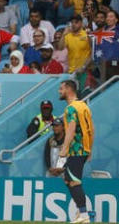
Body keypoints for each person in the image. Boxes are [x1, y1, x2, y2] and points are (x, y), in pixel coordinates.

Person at [57, 79, 94, 224]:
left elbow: (71, 129)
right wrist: (89, 148)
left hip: (75, 150)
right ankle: (81, 212)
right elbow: (92, 128)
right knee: (68, 179)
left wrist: (64, 148)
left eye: (61, 89)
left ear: (68, 89)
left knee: (73, 181)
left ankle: (84, 215)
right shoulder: (83, 106)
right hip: (83, 149)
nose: (59, 91)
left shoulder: (71, 108)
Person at [58, 15, 92, 80]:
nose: (73, 24)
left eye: (76, 22)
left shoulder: (87, 35)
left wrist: (83, 67)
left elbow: (92, 53)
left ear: (81, 23)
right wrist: (63, 34)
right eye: (72, 22)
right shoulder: (67, 36)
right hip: (72, 71)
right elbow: (60, 48)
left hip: (85, 71)